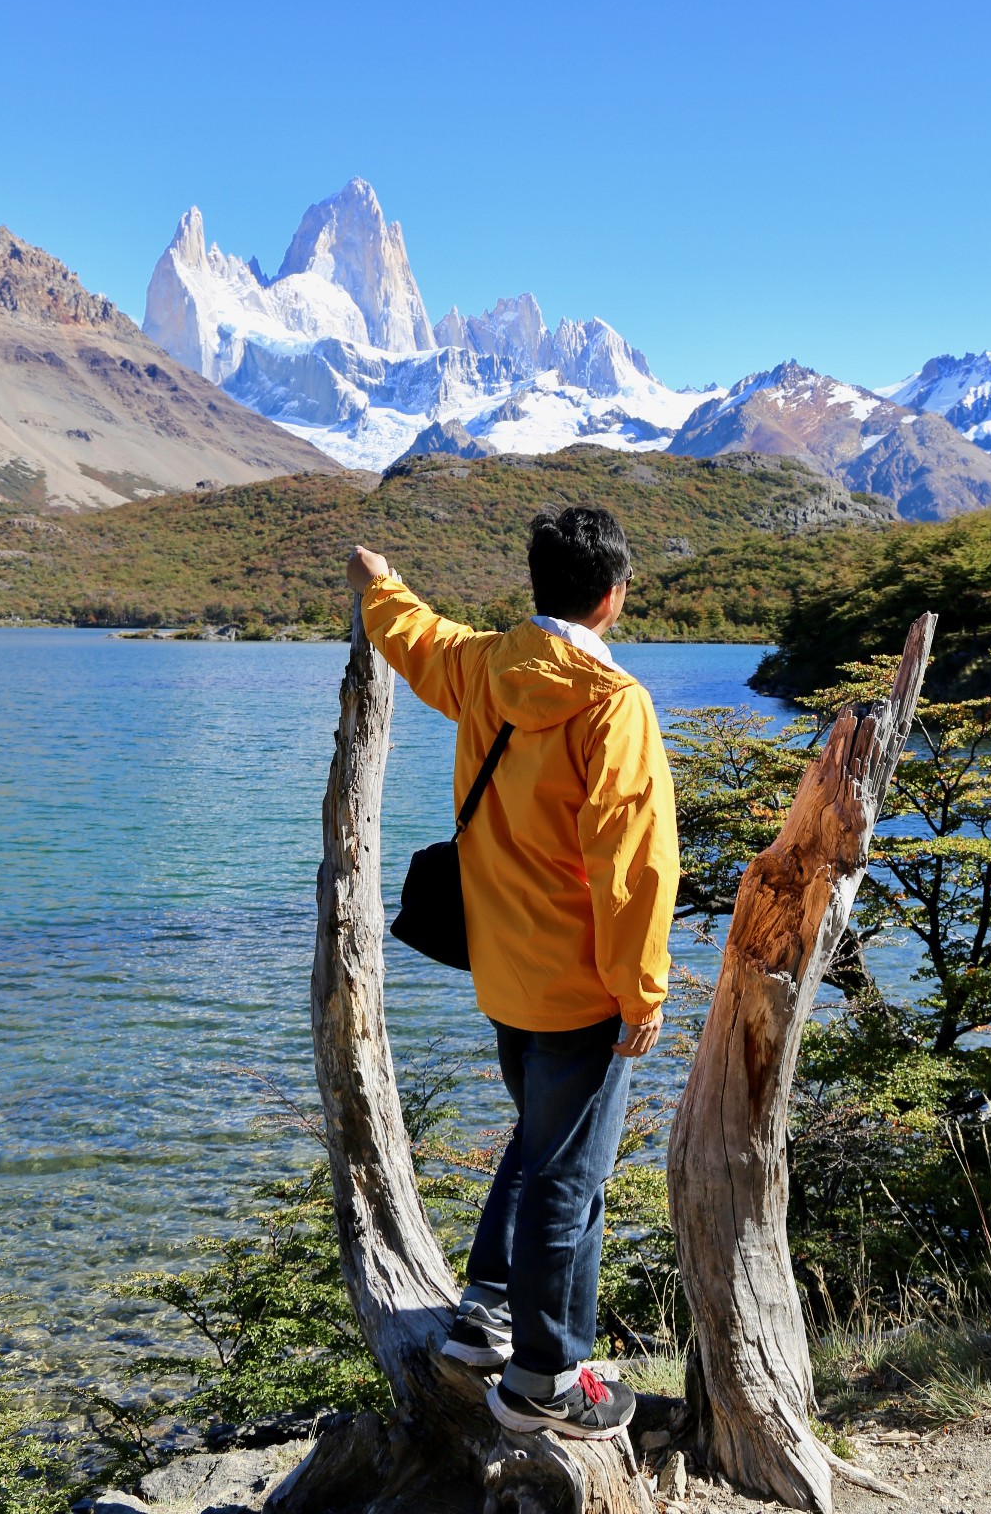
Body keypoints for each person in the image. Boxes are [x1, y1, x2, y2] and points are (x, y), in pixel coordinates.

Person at [346, 505, 679, 1442]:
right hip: (581, 989)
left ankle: (485, 1313)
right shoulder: (614, 705)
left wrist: (379, 580)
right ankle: (543, 1380)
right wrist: (641, 992)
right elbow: (635, 867)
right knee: (570, 1177)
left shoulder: (486, 667)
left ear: (535, 584)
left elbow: (411, 634)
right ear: (612, 596)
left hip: (503, 975)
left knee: (540, 1148)